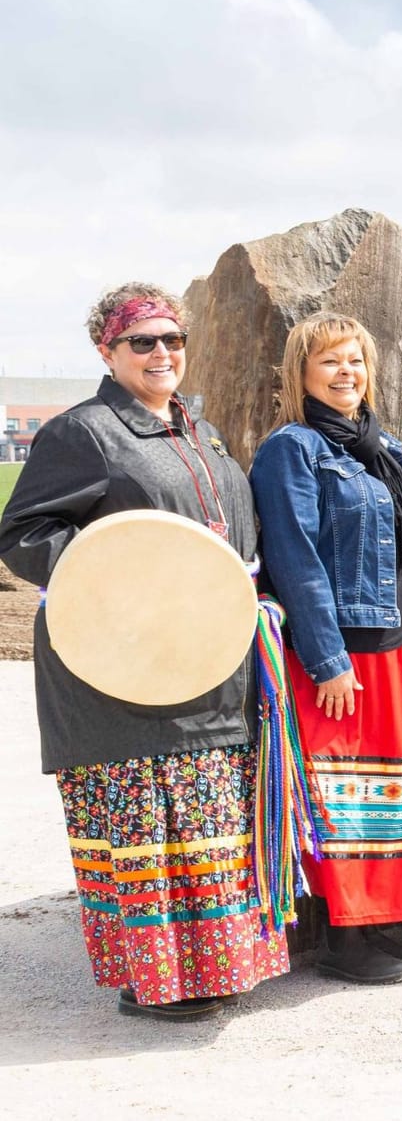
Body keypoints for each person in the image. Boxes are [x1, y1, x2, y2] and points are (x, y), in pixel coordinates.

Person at [0, 282, 288, 1020]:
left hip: (207, 659)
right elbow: (24, 535)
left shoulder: (202, 432)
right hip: (121, 671)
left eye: (173, 339)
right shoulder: (84, 432)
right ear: (108, 351)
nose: (162, 352)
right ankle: (156, 979)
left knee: (208, 823)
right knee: (147, 828)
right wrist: (126, 580)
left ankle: (213, 967)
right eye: (142, 341)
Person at [248, 313, 402, 983]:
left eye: (354, 360)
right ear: (301, 373)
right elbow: (294, 559)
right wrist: (327, 658)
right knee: (345, 795)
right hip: (340, 654)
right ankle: (344, 939)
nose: (345, 372)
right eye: (329, 361)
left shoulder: (382, 446)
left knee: (392, 794)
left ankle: (380, 922)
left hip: (394, 644)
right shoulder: (291, 449)